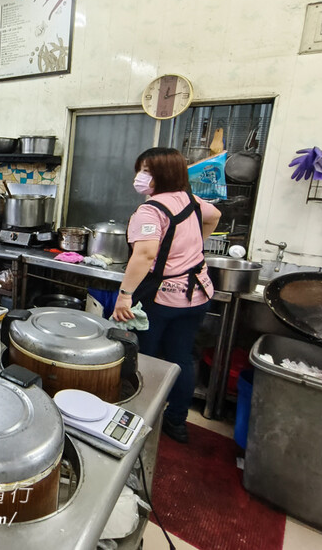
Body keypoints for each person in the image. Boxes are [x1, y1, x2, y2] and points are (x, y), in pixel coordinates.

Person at [111, 147, 221, 444]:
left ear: (162, 174)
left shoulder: (151, 210)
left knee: (143, 358)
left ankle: (137, 422)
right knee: (180, 358)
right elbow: (215, 215)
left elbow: (144, 255)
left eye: (146, 170)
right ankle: (176, 422)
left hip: (162, 298)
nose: (140, 176)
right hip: (197, 294)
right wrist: (191, 249)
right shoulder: (190, 200)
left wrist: (124, 296)